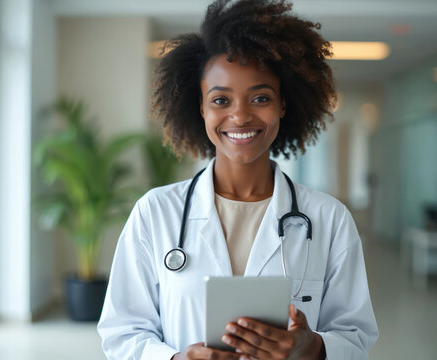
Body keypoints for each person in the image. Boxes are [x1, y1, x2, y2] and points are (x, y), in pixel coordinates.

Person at [97, 0, 378, 359]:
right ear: (201, 108)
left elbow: (356, 336)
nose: (240, 116)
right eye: (221, 100)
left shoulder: (329, 219)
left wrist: (317, 348)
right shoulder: (155, 213)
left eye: (260, 97)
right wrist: (175, 358)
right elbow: (122, 333)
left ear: (283, 106)